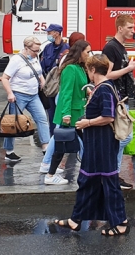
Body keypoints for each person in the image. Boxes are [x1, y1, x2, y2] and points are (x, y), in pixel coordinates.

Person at [53, 54, 129, 236]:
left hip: (102, 144)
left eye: (88, 69)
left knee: (108, 182)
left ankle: (120, 223)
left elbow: (108, 117)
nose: (87, 72)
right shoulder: (103, 87)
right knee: (88, 181)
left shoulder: (103, 89)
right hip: (97, 143)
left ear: (93, 70)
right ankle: (76, 220)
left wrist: (86, 123)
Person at [45, 40, 91, 185]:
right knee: (62, 144)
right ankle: (50, 175)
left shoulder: (78, 68)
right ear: (80, 52)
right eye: (87, 52)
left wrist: (88, 89)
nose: (89, 55)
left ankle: (88, 172)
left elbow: (79, 87)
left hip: (76, 111)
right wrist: (66, 114)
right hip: (71, 113)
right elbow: (66, 93)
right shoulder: (71, 68)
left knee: (67, 144)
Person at [101, 14, 135, 190]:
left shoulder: (121, 47)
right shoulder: (111, 48)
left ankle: (112, 174)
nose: (133, 31)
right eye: (130, 27)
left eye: (133, 27)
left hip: (122, 98)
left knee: (123, 137)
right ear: (120, 28)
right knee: (123, 137)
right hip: (116, 98)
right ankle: (111, 174)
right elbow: (106, 75)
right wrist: (128, 69)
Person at [0, 36, 51, 162]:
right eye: (35, 50)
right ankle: (9, 151)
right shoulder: (16, 60)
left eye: (38, 50)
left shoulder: (35, 57)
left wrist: (43, 83)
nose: (37, 53)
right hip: (19, 95)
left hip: (34, 95)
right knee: (13, 123)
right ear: (26, 48)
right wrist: (10, 93)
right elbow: (4, 78)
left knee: (42, 119)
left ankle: (46, 148)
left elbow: (39, 73)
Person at [41, 23, 69, 133]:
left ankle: (60, 135)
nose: (48, 34)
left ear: (57, 34)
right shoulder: (47, 47)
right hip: (49, 84)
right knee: (50, 111)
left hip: (60, 84)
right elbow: (42, 64)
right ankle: (53, 135)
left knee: (60, 111)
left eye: (49, 32)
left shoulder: (66, 48)